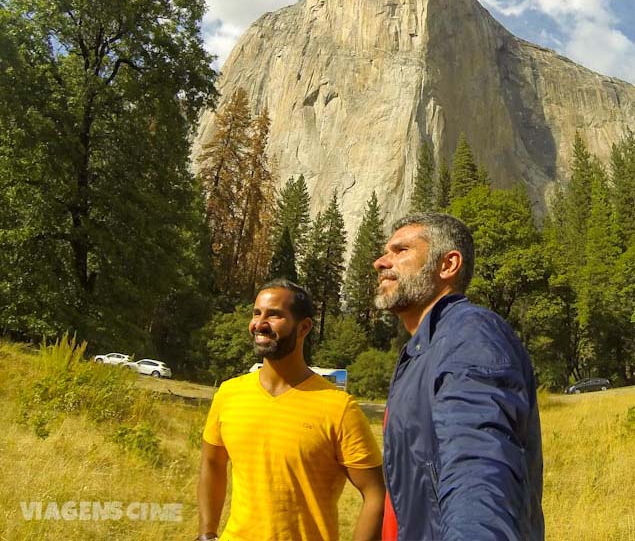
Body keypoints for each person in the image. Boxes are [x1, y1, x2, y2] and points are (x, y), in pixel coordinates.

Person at [374, 213, 544, 541]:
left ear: (448, 265)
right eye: (385, 252)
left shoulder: (470, 336)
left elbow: (478, 469)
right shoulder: (422, 351)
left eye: (401, 250)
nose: (381, 262)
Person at [196, 278, 385, 541]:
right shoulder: (229, 393)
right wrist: (206, 533)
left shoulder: (338, 407)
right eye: (256, 313)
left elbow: (377, 494)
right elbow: (212, 462)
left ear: (304, 327)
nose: (259, 324)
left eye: (274, 315)